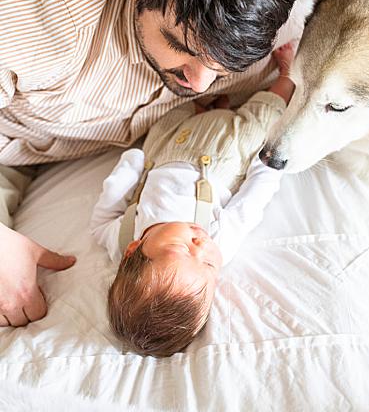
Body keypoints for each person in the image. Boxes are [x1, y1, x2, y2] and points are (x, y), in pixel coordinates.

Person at [0, 0, 304, 327]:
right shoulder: (33, 0)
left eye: (222, 66)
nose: (199, 81)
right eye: (182, 47)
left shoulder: (258, 15)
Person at [90, 42, 296, 356]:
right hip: (222, 155)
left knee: (166, 120)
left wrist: (129, 168)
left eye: (182, 248)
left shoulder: (120, 238)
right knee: (258, 125)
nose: (201, 246)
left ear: (134, 250)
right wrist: (268, 162)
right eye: (210, 264)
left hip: (166, 148)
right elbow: (250, 204)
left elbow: (100, 221)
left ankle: (207, 103)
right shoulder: (220, 241)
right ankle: (287, 77)